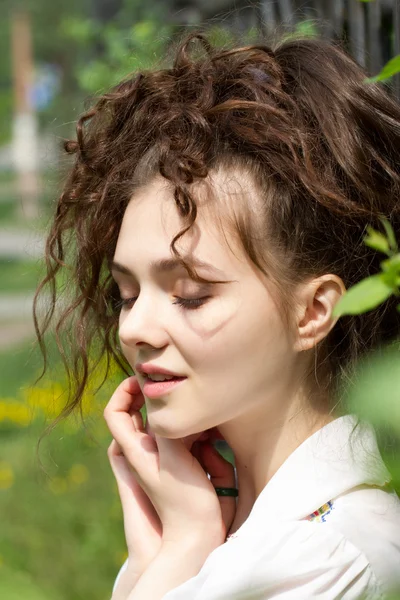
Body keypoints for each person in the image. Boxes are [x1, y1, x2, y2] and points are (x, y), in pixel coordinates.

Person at [33, 32, 400, 600]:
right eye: (128, 294)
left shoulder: (334, 560)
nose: (132, 329)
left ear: (313, 311)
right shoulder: (239, 523)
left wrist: (182, 548)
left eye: (190, 295)